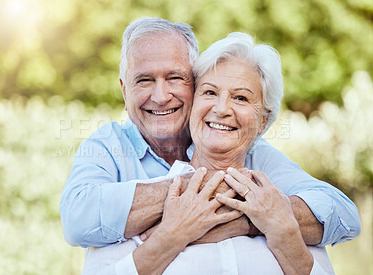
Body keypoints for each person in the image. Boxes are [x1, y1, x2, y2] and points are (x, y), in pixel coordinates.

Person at [60, 17, 360, 252]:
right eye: (144, 80)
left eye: (175, 78)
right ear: (125, 90)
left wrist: (244, 220)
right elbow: (78, 219)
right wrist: (202, 186)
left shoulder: (237, 145)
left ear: (194, 83)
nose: (161, 95)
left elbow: (342, 214)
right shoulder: (108, 145)